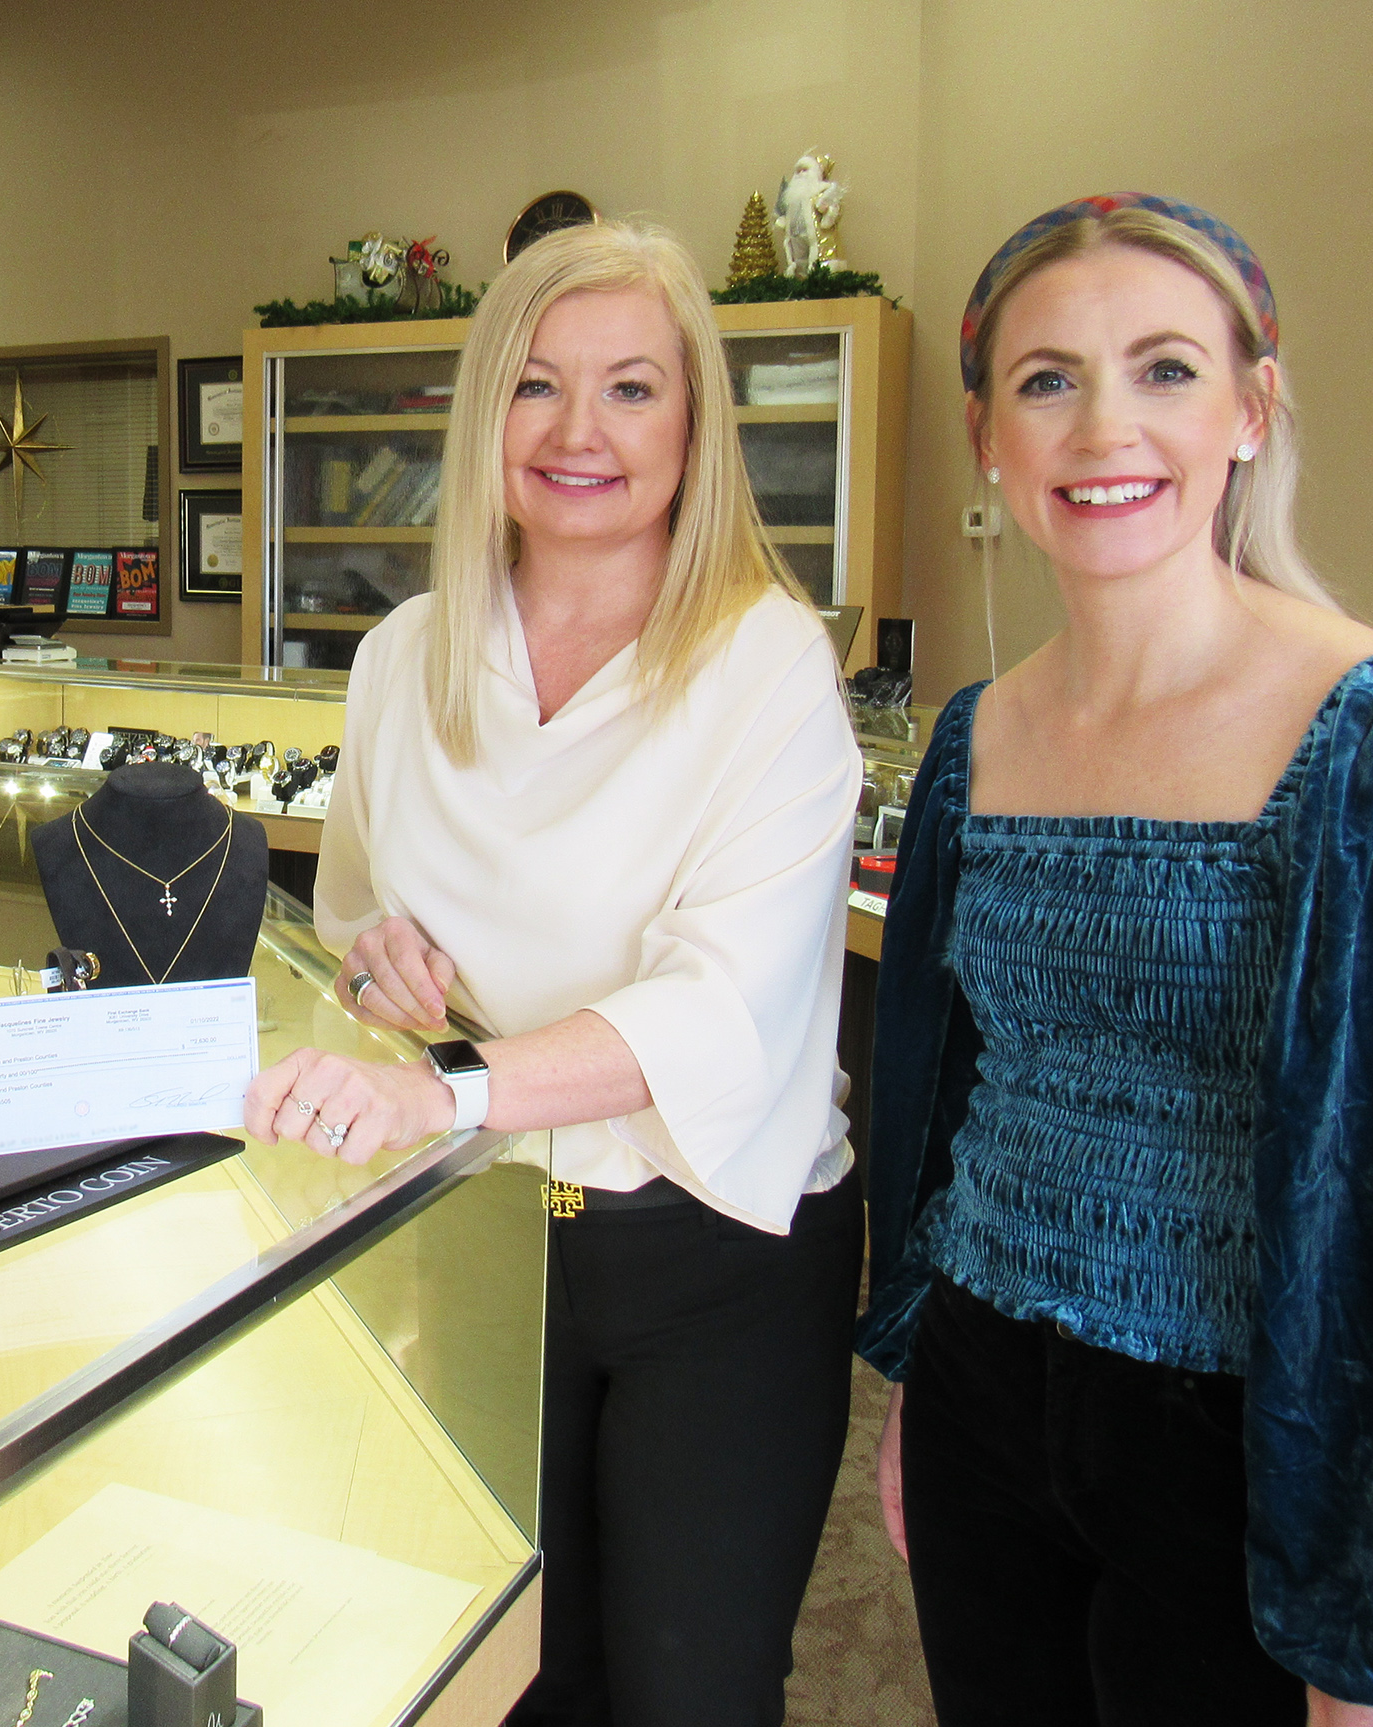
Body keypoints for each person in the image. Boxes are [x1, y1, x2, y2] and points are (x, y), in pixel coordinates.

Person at [856, 192, 1373, 1727]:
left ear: (1253, 409)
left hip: (1262, 1449)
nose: (1102, 423)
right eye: (1049, 379)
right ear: (989, 435)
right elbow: (960, 1100)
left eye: (1166, 368)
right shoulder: (973, 743)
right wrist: (923, 1371)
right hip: (992, 1396)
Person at [241, 220, 863, 1727]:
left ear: (695, 423)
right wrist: (378, 957)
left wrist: (445, 1084)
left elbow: (720, 1009)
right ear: (483, 418)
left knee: (687, 1686)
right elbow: (358, 909)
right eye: (535, 387)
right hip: (483, 1239)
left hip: (714, 1258)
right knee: (503, 1667)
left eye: (632, 389)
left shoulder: (768, 665)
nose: (580, 432)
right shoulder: (404, 655)